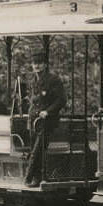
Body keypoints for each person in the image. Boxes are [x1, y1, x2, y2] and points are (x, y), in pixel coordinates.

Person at [24, 49, 66, 187]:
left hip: (47, 121)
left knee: (38, 150)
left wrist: (48, 112)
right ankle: (36, 177)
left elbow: (61, 100)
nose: (36, 66)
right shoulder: (32, 80)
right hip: (33, 121)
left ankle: (31, 178)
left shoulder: (53, 80)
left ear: (45, 65)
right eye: (34, 63)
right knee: (33, 149)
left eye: (39, 63)